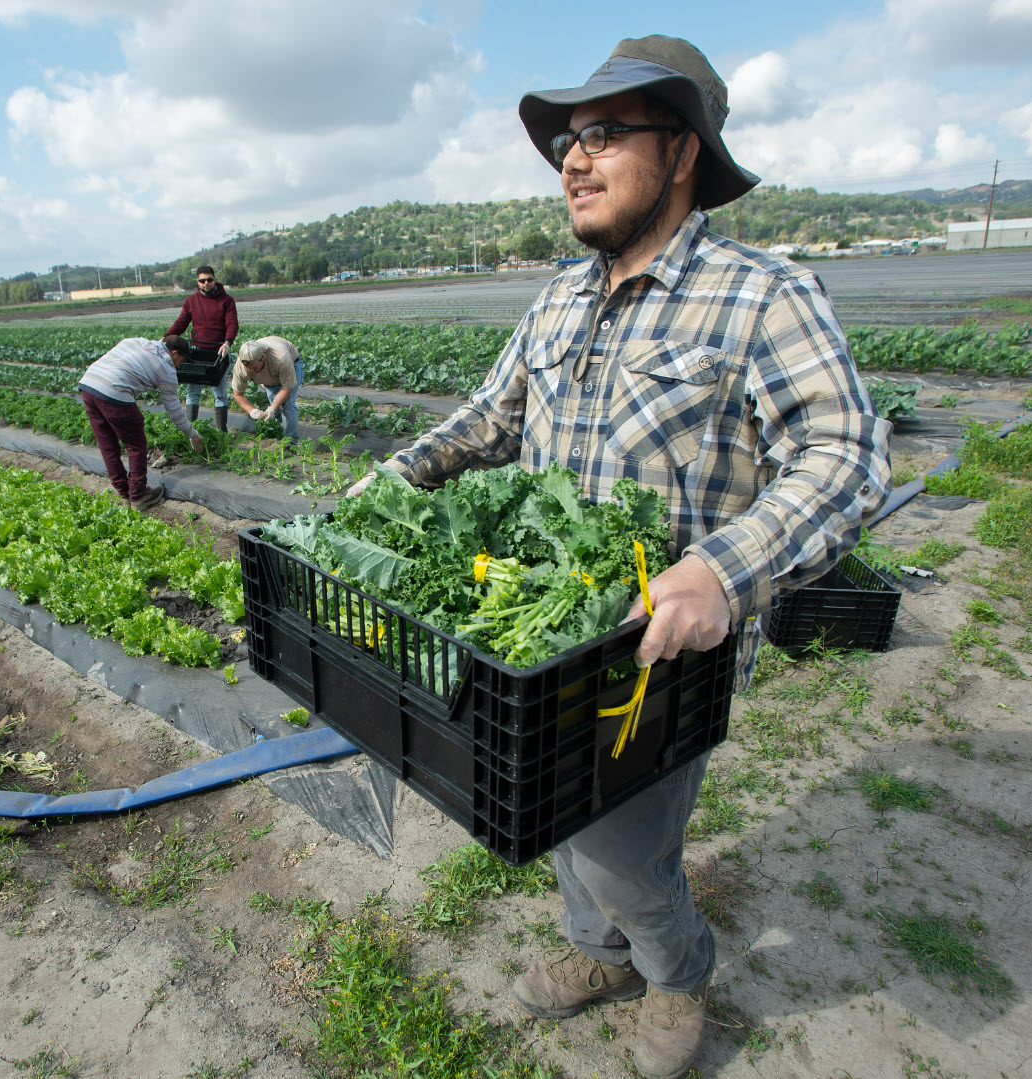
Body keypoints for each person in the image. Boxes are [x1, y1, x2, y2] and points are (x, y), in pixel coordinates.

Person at [347, 36, 889, 1079]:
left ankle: (678, 969)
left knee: (621, 845)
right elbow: (485, 420)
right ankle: (597, 950)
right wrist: (391, 479)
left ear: (681, 151)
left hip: (663, 650)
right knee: (548, 803)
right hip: (549, 631)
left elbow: (846, 454)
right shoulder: (556, 299)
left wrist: (722, 571)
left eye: (601, 134)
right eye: (563, 140)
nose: (571, 159)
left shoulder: (759, 295)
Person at [79, 334, 205, 511]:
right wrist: (193, 434)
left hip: (89, 385)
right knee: (136, 445)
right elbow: (175, 412)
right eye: (181, 360)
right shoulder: (166, 370)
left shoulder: (135, 341)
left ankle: (125, 494)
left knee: (108, 447)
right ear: (174, 353)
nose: (179, 365)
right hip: (114, 392)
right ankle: (138, 496)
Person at [168, 264, 238, 432]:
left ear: (215, 280)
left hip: (218, 352)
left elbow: (232, 323)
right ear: (197, 282)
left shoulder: (226, 301)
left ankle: (222, 431)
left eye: (209, 280)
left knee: (220, 393)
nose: (206, 283)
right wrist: (166, 338)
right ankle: (191, 430)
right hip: (197, 351)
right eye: (202, 280)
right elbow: (181, 323)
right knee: (192, 392)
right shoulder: (191, 301)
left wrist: (227, 343)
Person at [230, 336, 303, 441]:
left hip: (292, 364)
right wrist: (252, 411)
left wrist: (272, 408)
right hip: (269, 375)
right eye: (248, 368)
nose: (252, 370)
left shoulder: (281, 359)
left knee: (287, 403)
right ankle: (279, 435)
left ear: (263, 357)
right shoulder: (241, 368)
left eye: (254, 367)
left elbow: (287, 389)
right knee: (274, 401)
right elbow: (238, 394)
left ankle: (290, 443)